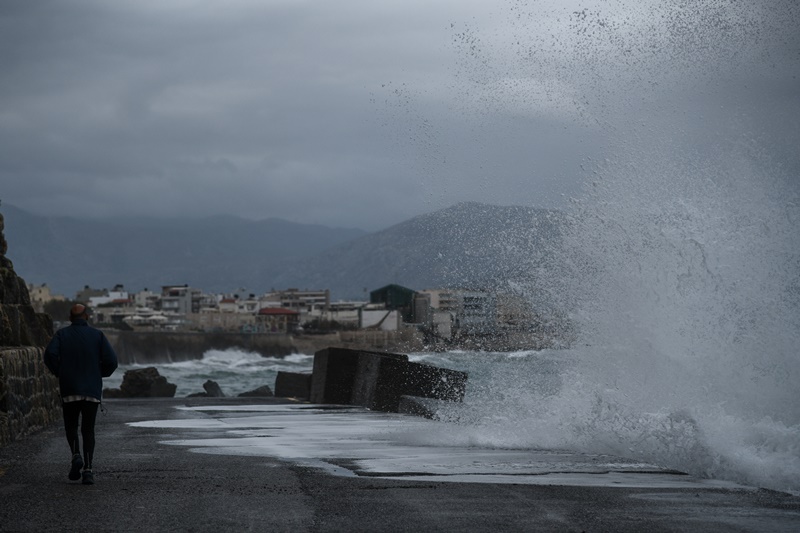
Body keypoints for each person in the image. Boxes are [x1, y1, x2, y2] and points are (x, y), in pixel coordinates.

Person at [44, 304, 118, 485]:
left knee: (71, 426)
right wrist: (100, 374)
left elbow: (49, 355)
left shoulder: (62, 334)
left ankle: (76, 455)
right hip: (91, 390)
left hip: (70, 388)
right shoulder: (97, 335)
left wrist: (60, 372)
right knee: (88, 429)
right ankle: (88, 470)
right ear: (87, 316)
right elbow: (112, 361)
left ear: (70, 317)